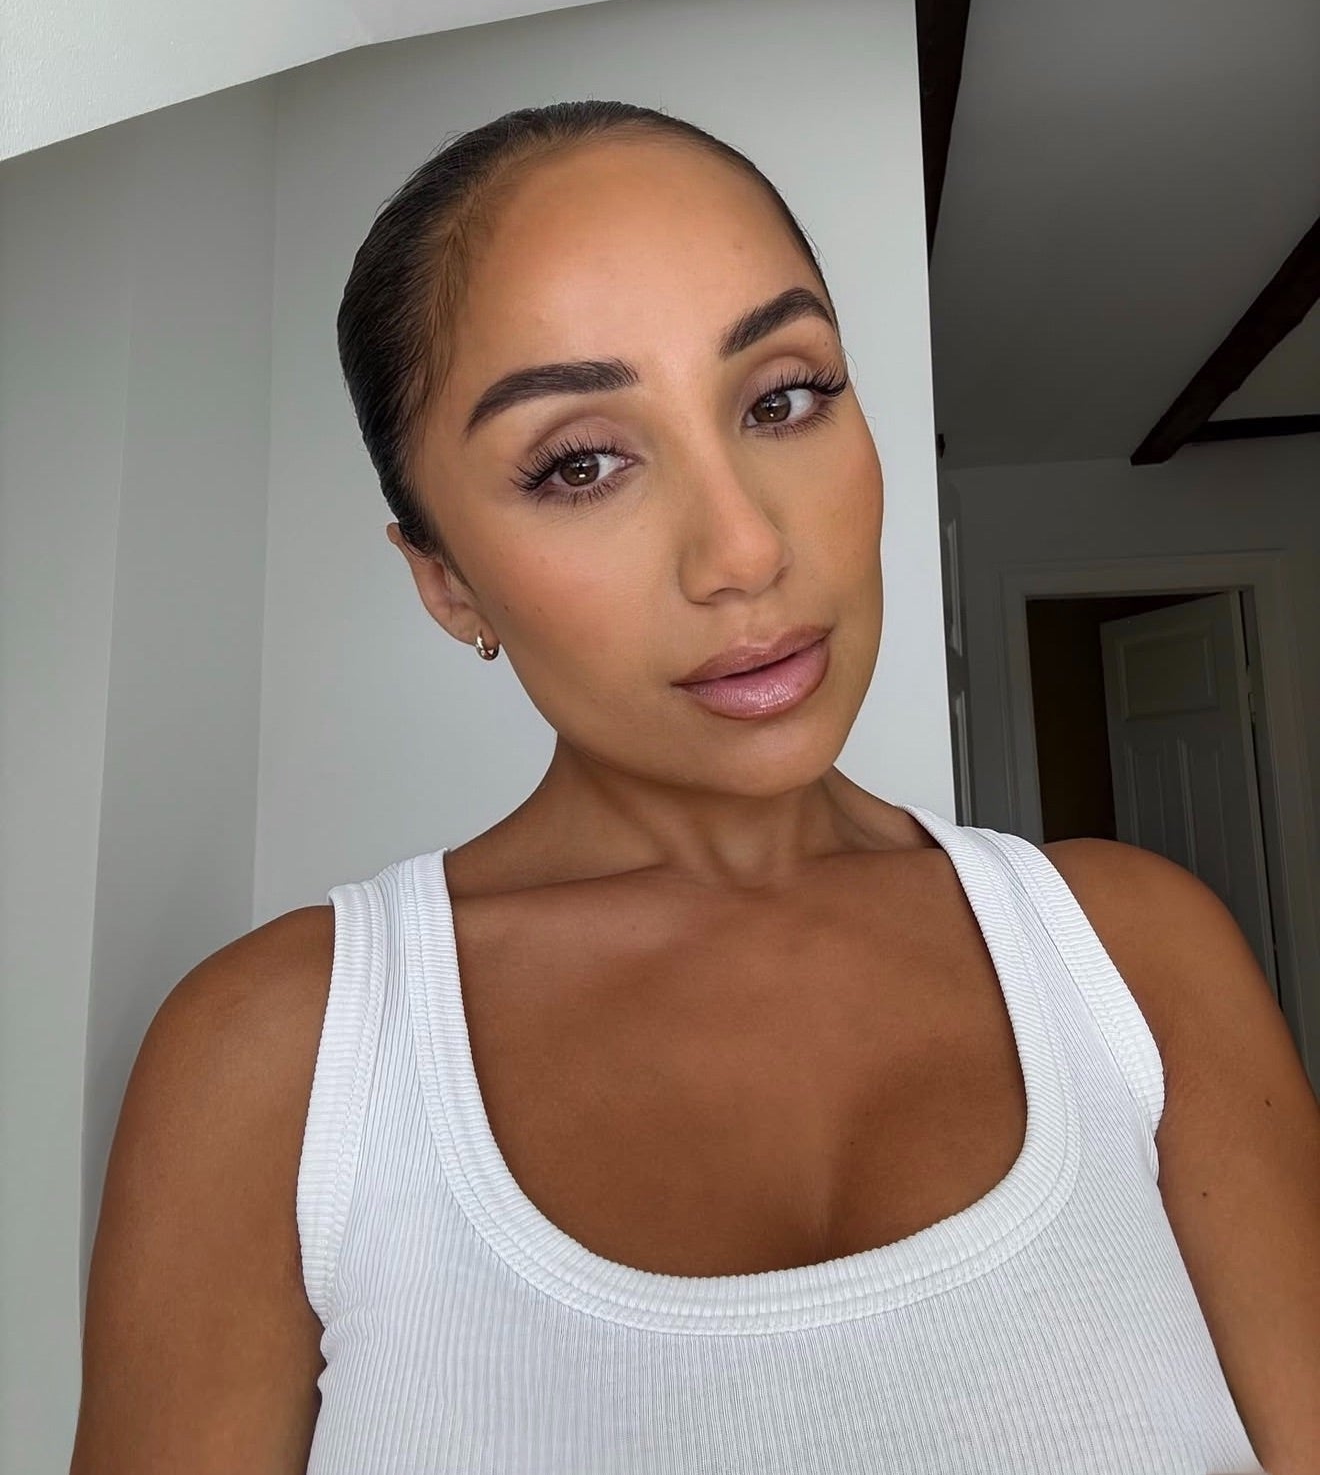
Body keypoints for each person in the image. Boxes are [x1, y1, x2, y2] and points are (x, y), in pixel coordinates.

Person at [71, 100, 1319, 1474]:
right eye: (581, 463)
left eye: (783, 398)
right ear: (446, 581)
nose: (743, 551)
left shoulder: (1136, 957)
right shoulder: (281, 1062)